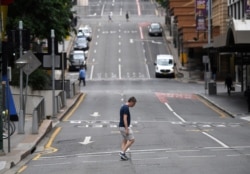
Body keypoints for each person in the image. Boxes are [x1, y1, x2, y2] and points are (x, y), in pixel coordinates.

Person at [119, 96, 137, 160]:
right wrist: (127, 129)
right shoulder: (126, 108)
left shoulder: (124, 106)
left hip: (121, 126)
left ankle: (123, 154)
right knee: (132, 140)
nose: (134, 105)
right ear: (131, 102)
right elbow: (125, 119)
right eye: (134, 104)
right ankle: (122, 152)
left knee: (125, 140)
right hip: (124, 127)